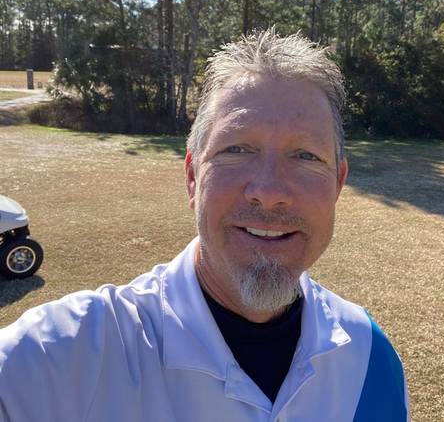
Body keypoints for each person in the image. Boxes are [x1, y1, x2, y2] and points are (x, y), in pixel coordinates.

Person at [0, 30, 409, 421]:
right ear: (193, 177)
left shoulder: (369, 359)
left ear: (337, 184)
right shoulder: (58, 360)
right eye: (237, 149)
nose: (269, 192)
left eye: (305, 156)